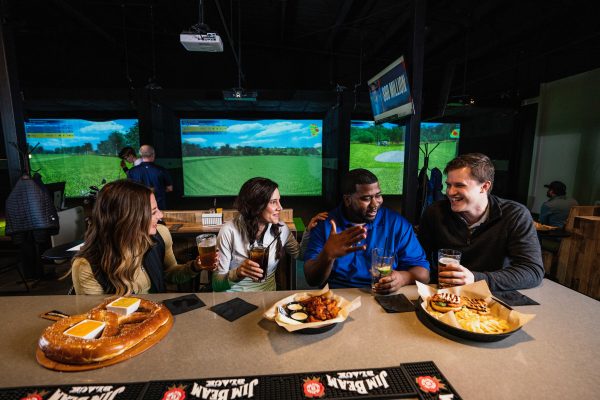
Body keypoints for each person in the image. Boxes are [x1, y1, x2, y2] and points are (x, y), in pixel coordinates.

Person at [418, 153, 544, 291]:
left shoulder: (514, 215)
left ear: (484, 187)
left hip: (494, 297)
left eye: (459, 185)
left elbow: (532, 271)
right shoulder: (435, 212)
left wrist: (475, 279)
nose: (450, 192)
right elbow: (419, 258)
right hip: (443, 293)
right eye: (448, 185)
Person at [71, 180, 216, 295]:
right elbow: (99, 321)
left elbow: (170, 274)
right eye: (153, 212)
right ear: (129, 219)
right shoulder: (86, 267)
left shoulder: (160, 235)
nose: (161, 215)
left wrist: (195, 266)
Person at [304, 169, 430, 293]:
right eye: (366, 198)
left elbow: (424, 274)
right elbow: (312, 279)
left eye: (378, 195)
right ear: (348, 200)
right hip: (338, 297)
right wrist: (327, 255)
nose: (375, 203)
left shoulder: (396, 224)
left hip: (384, 295)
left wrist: (403, 278)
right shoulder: (325, 225)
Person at [213, 177, 327, 292]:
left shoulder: (282, 229)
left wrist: (309, 231)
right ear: (257, 205)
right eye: (273, 202)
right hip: (234, 301)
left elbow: (300, 255)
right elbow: (217, 286)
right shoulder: (228, 231)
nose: (280, 207)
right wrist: (237, 273)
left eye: (279, 201)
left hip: (268, 299)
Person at [127, 145, 174, 210]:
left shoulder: (132, 171)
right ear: (153, 154)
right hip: (159, 207)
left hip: (140, 208)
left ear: (140, 155)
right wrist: (159, 191)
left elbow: (130, 190)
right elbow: (170, 188)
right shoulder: (162, 170)